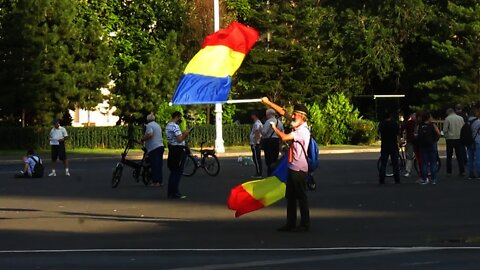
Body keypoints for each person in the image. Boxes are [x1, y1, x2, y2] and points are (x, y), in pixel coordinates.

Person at [262, 98, 310, 232]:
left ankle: (305, 224)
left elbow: (284, 137)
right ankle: (291, 223)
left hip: (299, 169)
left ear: (302, 117)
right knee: (291, 196)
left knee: (301, 196)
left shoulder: (302, 131)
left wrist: (274, 128)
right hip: (292, 167)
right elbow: (283, 112)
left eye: (295, 114)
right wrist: (268, 103)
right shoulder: (298, 125)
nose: (292, 116)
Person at [165, 111, 190, 199]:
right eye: (180, 117)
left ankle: (170, 192)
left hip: (172, 149)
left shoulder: (168, 125)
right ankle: (175, 192)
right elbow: (179, 139)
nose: (180, 120)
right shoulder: (175, 126)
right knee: (177, 172)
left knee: (173, 171)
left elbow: (175, 137)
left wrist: (181, 133)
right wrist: (186, 134)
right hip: (178, 150)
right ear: (177, 116)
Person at [141, 113, 165, 187]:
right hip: (160, 146)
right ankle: (160, 181)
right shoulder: (157, 125)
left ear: (147, 120)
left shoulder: (149, 125)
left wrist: (142, 139)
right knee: (159, 165)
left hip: (154, 148)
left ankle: (155, 182)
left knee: (154, 165)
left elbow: (150, 134)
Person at [417, 112, 440, 185]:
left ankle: (425, 179)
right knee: (433, 163)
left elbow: (416, 135)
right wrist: (435, 140)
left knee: (424, 163)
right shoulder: (432, 125)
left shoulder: (420, 125)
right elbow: (438, 133)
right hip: (432, 144)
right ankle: (433, 179)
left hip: (423, 146)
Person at [378, 111, 400, 184]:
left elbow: (379, 134)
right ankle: (397, 179)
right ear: (390, 116)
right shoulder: (394, 124)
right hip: (393, 145)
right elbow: (398, 134)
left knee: (383, 163)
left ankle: (382, 179)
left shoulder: (382, 124)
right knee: (395, 163)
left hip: (385, 145)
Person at [443, 108, 465, 176]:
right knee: (460, 156)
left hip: (450, 139)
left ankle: (449, 172)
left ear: (448, 112)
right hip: (459, 138)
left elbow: (445, 130)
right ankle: (462, 171)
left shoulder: (447, 119)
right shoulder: (460, 118)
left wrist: (446, 136)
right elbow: (463, 128)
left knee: (449, 156)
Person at [262, 109, 284, 176]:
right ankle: (275, 173)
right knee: (275, 158)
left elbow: (264, 133)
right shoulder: (279, 122)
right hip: (276, 141)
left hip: (269, 141)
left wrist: (260, 130)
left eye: (267, 115)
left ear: (269, 114)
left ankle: (270, 174)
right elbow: (282, 133)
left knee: (269, 159)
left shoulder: (268, 122)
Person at [466, 107, 480, 179]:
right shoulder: (478, 122)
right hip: (477, 141)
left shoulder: (467, 121)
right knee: (478, 158)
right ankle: (479, 173)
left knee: (470, 159)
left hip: (469, 141)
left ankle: (471, 174)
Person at [402, 113, 416, 177]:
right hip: (417, 141)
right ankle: (421, 170)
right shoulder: (418, 123)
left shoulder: (408, 123)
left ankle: (408, 170)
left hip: (410, 141)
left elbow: (402, 129)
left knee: (409, 157)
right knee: (419, 156)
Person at [249, 111, 263, 178]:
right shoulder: (258, 123)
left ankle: (259, 173)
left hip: (255, 144)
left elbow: (257, 132)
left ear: (255, 115)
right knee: (256, 158)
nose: (251, 116)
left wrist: (255, 142)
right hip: (256, 143)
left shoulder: (257, 123)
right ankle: (258, 172)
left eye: (252, 115)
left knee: (256, 159)